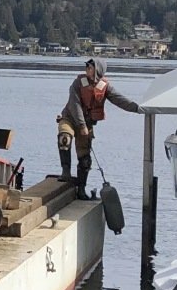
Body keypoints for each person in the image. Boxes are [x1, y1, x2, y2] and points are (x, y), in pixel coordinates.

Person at [57, 57, 141, 197]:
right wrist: (81, 124)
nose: (87, 69)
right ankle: (65, 171)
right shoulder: (78, 83)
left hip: (87, 124)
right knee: (64, 138)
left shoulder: (105, 87)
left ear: (98, 70)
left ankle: (81, 189)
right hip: (70, 119)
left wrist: (138, 108)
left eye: (90, 67)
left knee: (85, 159)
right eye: (87, 67)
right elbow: (74, 104)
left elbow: (120, 100)